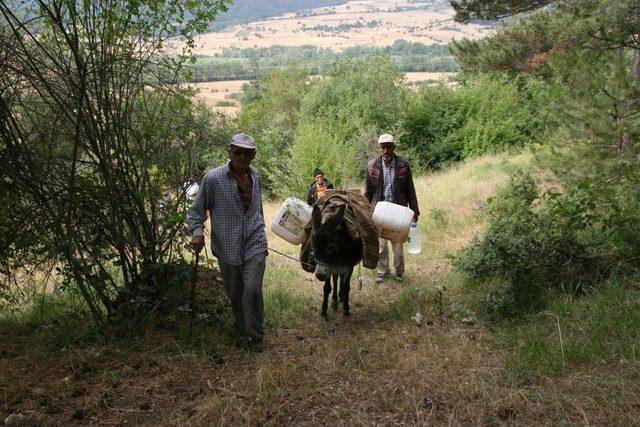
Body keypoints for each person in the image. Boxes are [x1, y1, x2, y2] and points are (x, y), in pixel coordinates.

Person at [187, 133, 268, 352]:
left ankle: (256, 339)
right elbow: (196, 212)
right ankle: (243, 330)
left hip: (255, 242)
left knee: (252, 291)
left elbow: (257, 210)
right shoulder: (213, 179)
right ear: (230, 153)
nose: (242, 157)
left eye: (247, 153)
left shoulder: (256, 177)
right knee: (236, 295)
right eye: (237, 152)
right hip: (227, 246)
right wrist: (197, 233)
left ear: (253, 156)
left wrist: (261, 229)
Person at [364, 133, 420, 283]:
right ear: (379, 149)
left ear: (393, 147)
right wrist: (365, 211)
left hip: (399, 210)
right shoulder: (372, 166)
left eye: (389, 146)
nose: (386, 150)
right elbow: (368, 192)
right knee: (381, 246)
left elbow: (410, 189)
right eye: (383, 147)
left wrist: (415, 210)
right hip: (379, 211)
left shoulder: (403, 164)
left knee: (397, 246)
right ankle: (382, 272)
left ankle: (399, 272)